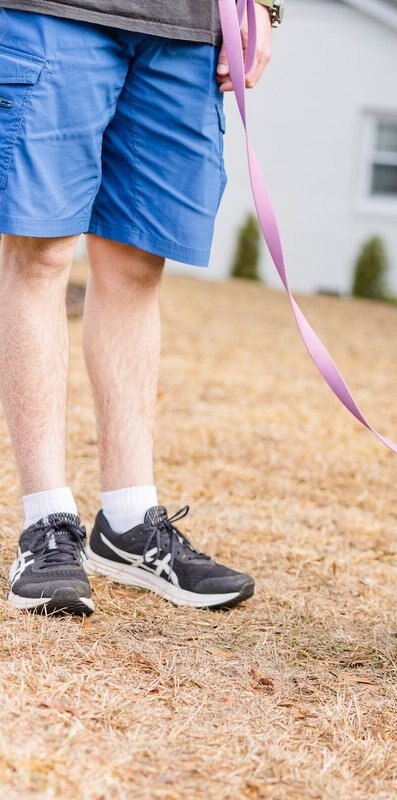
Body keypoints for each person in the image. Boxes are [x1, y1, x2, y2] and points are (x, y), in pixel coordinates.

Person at [0, 0, 281, 614]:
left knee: (136, 264)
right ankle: (45, 522)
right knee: (41, 250)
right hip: (53, 11)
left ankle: (127, 523)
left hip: (183, 26)